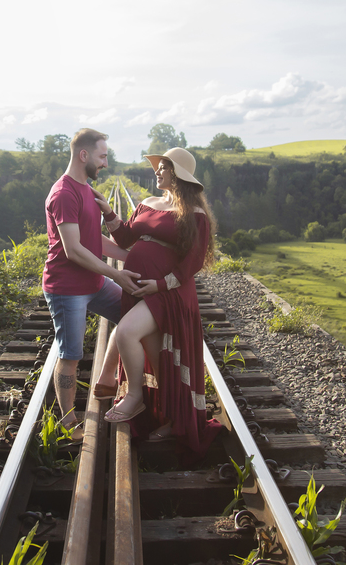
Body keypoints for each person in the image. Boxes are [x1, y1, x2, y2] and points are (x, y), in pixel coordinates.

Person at [91, 146, 222, 459]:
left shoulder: (195, 215)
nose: (157, 171)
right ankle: (171, 418)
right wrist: (108, 213)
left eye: (163, 167)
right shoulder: (147, 203)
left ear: (177, 174)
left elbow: (192, 264)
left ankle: (135, 395)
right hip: (141, 289)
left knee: (124, 333)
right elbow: (124, 239)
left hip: (169, 295)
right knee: (158, 353)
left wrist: (160, 285)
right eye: (158, 166)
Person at [42, 128, 143, 435]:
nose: (105, 164)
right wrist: (116, 274)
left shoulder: (86, 190)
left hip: (94, 284)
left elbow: (93, 239)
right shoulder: (64, 194)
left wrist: (133, 258)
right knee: (71, 355)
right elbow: (74, 250)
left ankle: (108, 376)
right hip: (67, 289)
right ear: (83, 155)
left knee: (133, 317)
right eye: (102, 156)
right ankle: (69, 422)